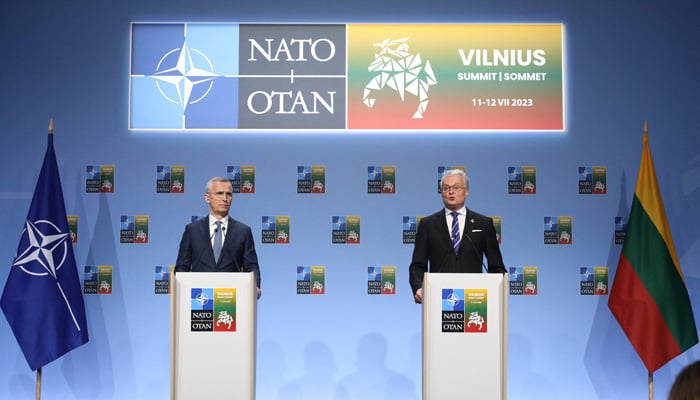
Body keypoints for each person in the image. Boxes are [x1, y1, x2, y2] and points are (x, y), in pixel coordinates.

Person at [409, 169, 506, 304]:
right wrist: (418, 287)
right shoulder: (427, 224)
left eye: (456, 187)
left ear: (466, 192)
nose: (450, 192)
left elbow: (496, 266)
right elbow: (417, 265)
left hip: (475, 298)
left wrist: (497, 291)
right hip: (439, 298)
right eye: (446, 188)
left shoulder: (483, 223)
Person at [175, 177, 261, 298]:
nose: (225, 198)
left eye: (229, 194)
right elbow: (182, 267)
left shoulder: (243, 231)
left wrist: (255, 286)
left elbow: (251, 266)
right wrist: (180, 287)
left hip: (230, 298)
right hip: (200, 298)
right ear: (207, 198)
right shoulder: (192, 230)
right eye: (219, 193)